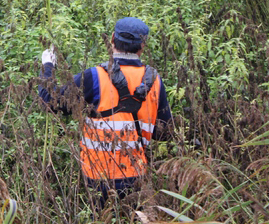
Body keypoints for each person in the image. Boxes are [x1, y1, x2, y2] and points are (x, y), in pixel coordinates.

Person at [39, 17, 172, 208]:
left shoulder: (94, 77)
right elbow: (165, 132)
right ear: (143, 45)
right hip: (137, 177)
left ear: (112, 39)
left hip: (97, 178)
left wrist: (48, 65)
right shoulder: (155, 81)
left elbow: (48, 101)